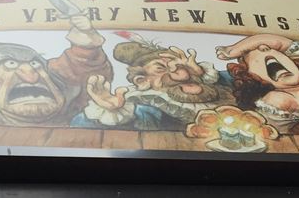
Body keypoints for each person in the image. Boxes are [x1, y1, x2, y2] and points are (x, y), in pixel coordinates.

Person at [0, 14, 112, 127]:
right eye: (11, 64)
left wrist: (86, 43)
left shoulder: (75, 105)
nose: (29, 73)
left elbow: (82, 68)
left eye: (35, 63)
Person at [75, 37, 231, 130]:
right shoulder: (146, 108)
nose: (183, 75)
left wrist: (199, 71)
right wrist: (111, 109)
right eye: (161, 68)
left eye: (181, 66)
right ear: (142, 81)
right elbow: (79, 126)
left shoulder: (222, 84)